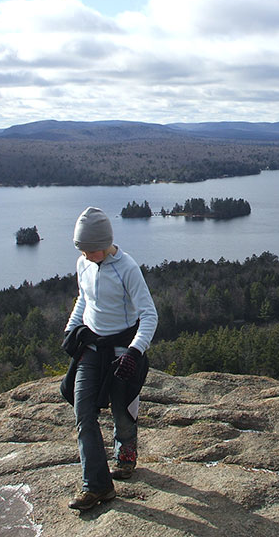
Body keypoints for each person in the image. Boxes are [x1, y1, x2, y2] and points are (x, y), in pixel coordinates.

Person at [63, 206, 158, 512]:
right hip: (91, 348)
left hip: (121, 352)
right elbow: (84, 299)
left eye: (90, 249)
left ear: (104, 243)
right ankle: (97, 486)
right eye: (82, 250)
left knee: (121, 411)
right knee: (83, 414)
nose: (85, 255)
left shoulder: (127, 268)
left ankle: (126, 451)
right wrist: (71, 328)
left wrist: (134, 351)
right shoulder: (84, 263)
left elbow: (149, 315)